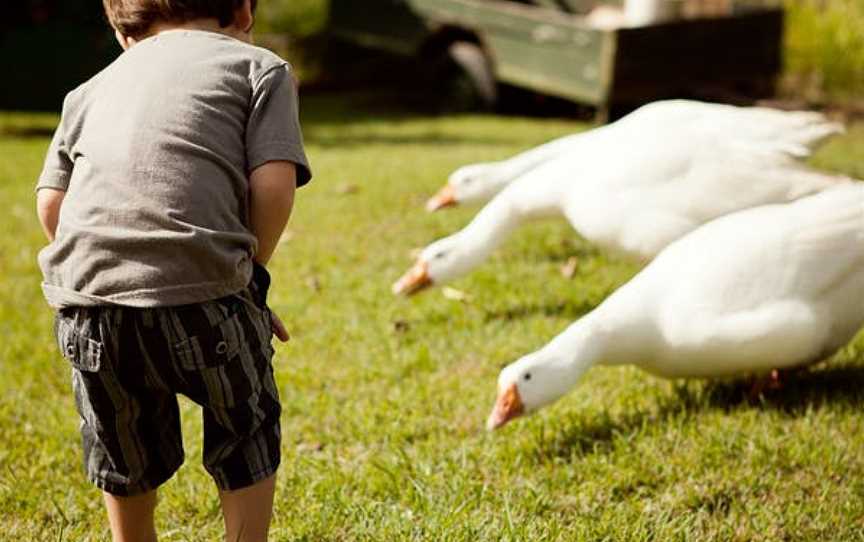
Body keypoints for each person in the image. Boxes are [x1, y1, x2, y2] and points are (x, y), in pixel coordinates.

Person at [34, 0, 311, 540]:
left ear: (121, 30)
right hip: (209, 307)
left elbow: (51, 204)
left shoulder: (87, 90)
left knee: (122, 449)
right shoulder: (258, 68)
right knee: (245, 432)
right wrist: (249, 273)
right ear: (244, 13)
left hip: (90, 312)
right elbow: (273, 186)